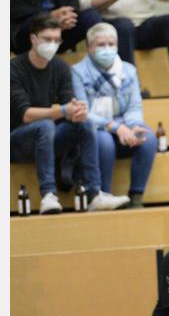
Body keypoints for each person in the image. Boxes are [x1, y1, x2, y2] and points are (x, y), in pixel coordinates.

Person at [11, 14, 130, 214]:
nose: (52, 44)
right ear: (33, 39)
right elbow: (26, 115)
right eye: (47, 39)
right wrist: (63, 111)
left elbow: (69, 104)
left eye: (56, 40)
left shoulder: (61, 67)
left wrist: (77, 112)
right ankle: (48, 194)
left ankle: (94, 194)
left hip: (47, 139)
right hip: (16, 140)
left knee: (85, 124)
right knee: (45, 124)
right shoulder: (13, 69)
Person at [71, 22, 157, 208]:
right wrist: (116, 127)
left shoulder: (128, 70)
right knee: (104, 141)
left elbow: (134, 105)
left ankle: (136, 197)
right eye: (101, 45)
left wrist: (135, 125)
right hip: (96, 127)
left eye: (111, 44)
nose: (107, 49)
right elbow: (83, 112)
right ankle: (104, 195)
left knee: (148, 138)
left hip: (124, 123)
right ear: (89, 47)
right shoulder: (77, 72)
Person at [76, 0, 169, 97]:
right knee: (124, 26)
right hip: (113, 26)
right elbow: (85, 4)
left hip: (144, 24)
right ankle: (130, 89)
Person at [11, 0, 102, 54]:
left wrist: (66, 15)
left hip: (61, 27)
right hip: (27, 30)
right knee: (39, 22)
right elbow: (16, 10)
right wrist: (50, 16)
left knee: (91, 17)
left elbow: (73, 2)